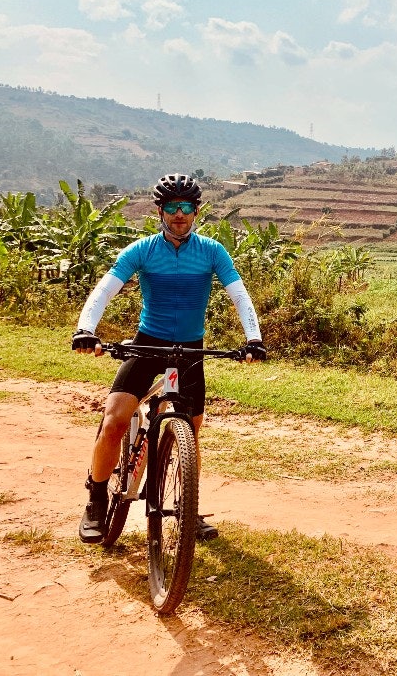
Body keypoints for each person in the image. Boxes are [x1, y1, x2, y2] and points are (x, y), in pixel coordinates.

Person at [72, 172, 267, 544]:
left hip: (191, 352)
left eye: (187, 207)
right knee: (114, 420)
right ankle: (96, 499)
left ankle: (186, 510)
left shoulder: (212, 251)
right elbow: (103, 292)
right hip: (148, 346)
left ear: (196, 211)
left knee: (190, 437)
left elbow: (239, 295)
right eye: (173, 207)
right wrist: (86, 329)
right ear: (160, 211)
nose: (180, 214)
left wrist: (253, 339)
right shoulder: (141, 251)